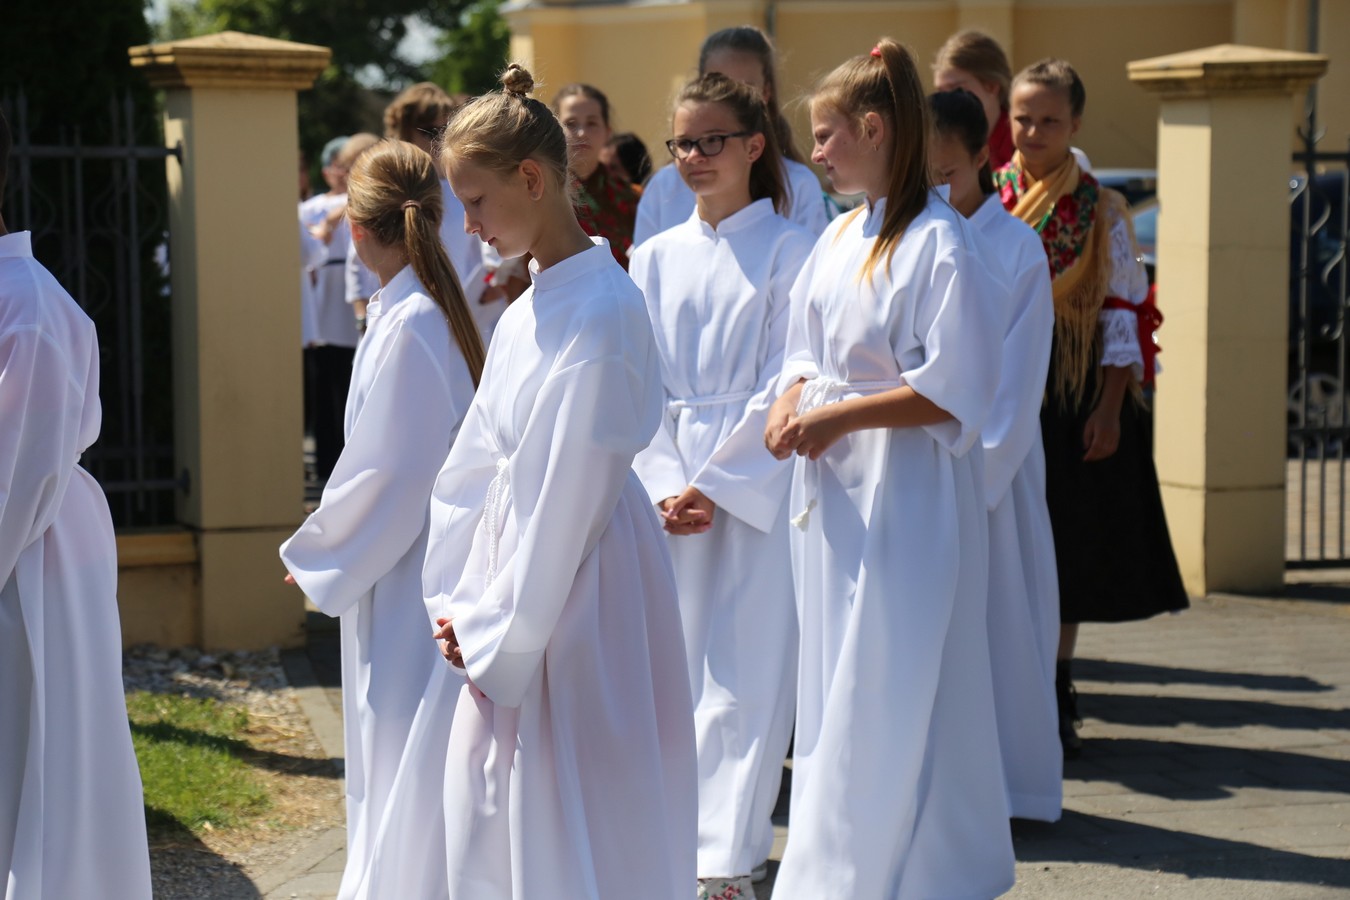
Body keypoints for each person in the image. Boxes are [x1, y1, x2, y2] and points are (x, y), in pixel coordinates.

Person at [421, 63, 697, 898]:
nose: (468, 225)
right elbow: (473, 462)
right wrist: (456, 596)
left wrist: (497, 626)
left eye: (476, 200)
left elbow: (566, 499)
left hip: (578, 586)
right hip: (510, 584)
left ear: (532, 180)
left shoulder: (604, 312)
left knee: (571, 793)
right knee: (490, 799)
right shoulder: (530, 305)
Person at [764, 40, 1014, 898]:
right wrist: (787, 398)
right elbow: (803, 345)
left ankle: (904, 868)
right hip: (835, 491)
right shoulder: (841, 233)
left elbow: (956, 387)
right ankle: (838, 863)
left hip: (906, 492)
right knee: (835, 673)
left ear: (874, 130)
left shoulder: (942, 244)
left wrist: (839, 415)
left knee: (891, 676)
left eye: (826, 135)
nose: (817, 153)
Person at [280, 139, 486, 900]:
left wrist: (323, 549)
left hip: (413, 567)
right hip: (402, 555)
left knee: (402, 734)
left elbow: (393, 471)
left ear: (358, 231)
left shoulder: (413, 325)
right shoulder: (409, 314)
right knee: (390, 735)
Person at [630, 72, 813, 900]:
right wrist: (665, 480)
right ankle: (665, 840)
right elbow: (636, 379)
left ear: (754, 146)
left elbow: (788, 378)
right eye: (683, 143)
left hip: (755, 476)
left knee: (745, 669)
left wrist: (717, 482)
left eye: (713, 140)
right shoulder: (653, 258)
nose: (696, 156)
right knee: (669, 669)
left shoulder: (791, 250)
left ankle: (727, 856)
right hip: (668, 482)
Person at [995, 58, 1188, 758]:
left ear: (1075, 123)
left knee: (1065, 547)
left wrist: (1109, 408)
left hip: (1070, 392)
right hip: (1001, 389)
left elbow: (1122, 314)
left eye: (1050, 119)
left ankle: (1055, 689)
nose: (1034, 131)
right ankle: (1001, 694)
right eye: (1023, 118)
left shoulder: (1101, 211)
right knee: (1000, 546)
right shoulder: (986, 196)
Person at [0, 107, 153, 899]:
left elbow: (19, 474)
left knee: (40, 763)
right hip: (31, 545)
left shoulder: (27, 307)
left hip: (30, 561)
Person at [929, 88, 1062, 820]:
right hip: (918, 469)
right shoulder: (908, 237)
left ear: (985, 156)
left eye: (947, 175)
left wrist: (971, 478)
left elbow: (1016, 383)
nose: (936, 191)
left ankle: (1013, 792)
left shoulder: (1016, 247)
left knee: (1001, 625)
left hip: (988, 475)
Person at [633, 25, 832, 246]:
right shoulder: (664, 187)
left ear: (766, 91)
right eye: (719, 84)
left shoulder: (798, 185)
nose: (730, 98)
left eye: (746, 87)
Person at [381, 82, 506, 340]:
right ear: (405, 132)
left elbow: (487, 249)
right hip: (408, 322)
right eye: (431, 131)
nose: (441, 140)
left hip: (466, 320)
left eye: (446, 130)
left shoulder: (465, 186)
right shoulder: (388, 192)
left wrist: (495, 281)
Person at [301, 133, 374, 480]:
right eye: (339, 166)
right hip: (326, 295)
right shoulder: (313, 206)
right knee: (325, 383)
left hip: (359, 295)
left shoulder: (365, 197)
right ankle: (326, 464)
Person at [551, 83, 643, 269]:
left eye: (592, 123)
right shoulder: (540, 195)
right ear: (554, 130)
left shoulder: (634, 199)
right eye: (571, 123)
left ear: (608, 132)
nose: (582, 133)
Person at [932, 30, 1015, 171]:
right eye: (941, 91)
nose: (948, 98)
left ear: (991, 86)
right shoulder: (935, 143)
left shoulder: (1024, 142)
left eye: (958, 89)